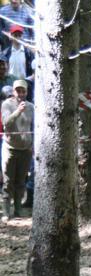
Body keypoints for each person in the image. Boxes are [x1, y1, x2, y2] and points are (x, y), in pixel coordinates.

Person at [1, 78, 34, 220]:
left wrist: (32, 146)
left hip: (26, 149)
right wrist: (18, 111)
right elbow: (6, 124)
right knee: (8, 181)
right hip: (10, 148)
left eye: (23, 91)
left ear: (26, 92)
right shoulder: (7, 104)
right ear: (14, 91)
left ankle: (18, 209)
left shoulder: (31, 107)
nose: (20, 93)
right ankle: (7, 211)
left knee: (21, 181)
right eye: (18, 90)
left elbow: (33, 127)